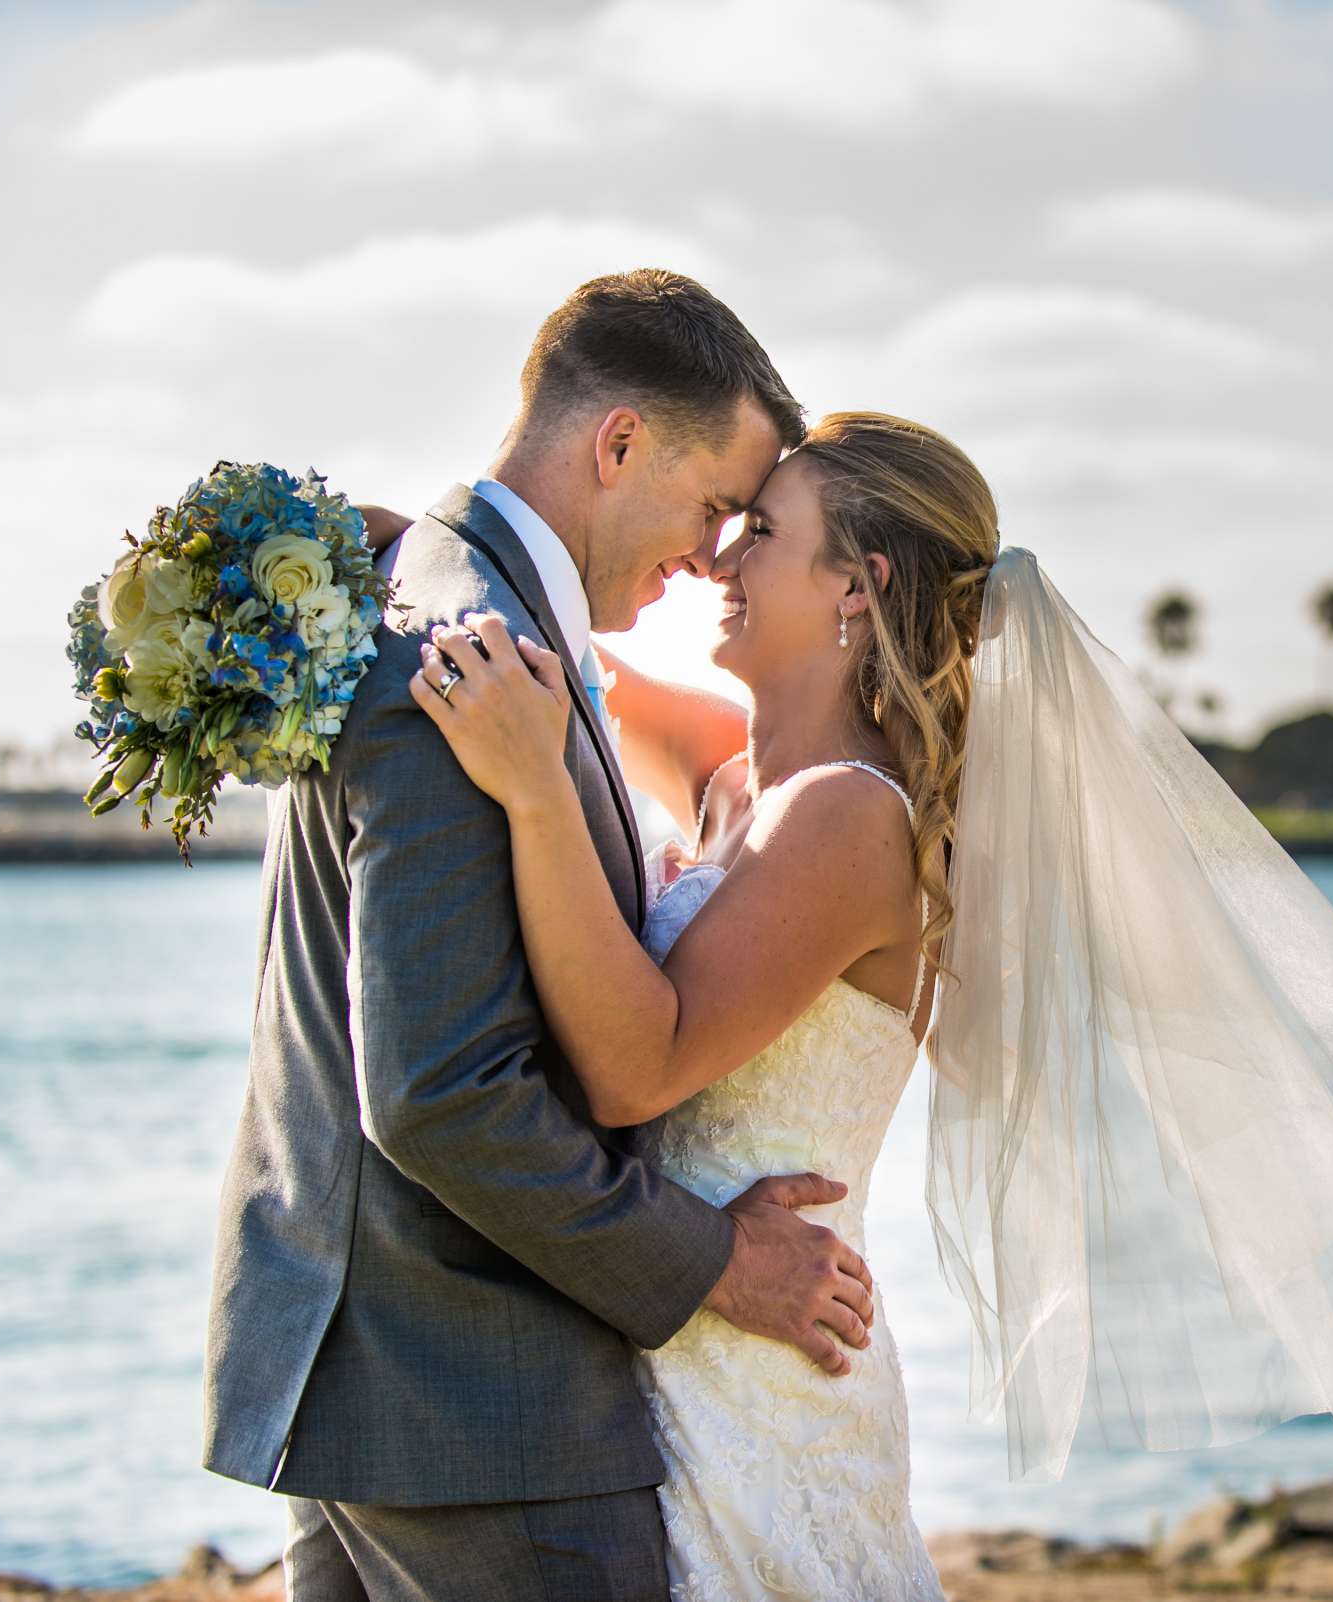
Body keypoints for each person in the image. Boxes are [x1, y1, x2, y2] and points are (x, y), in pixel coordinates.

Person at [406, 409, 1333, 1599]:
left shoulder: (849, 818)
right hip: (678, 1338)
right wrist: (405, 545)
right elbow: (558, 647)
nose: (716, 560)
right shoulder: (738, 778)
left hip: (759, 1374)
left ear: (857, 588)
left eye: (761, 532)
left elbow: (633, 1068)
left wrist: (535, 801)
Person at [203, 269, 880, 1602]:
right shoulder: (466, 654)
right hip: (482, 1406)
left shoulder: (419, 591)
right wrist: (717, 1262)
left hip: (367, 1379)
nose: (712, 555)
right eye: (711, 509)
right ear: (616, 442)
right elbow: (444, 1095)